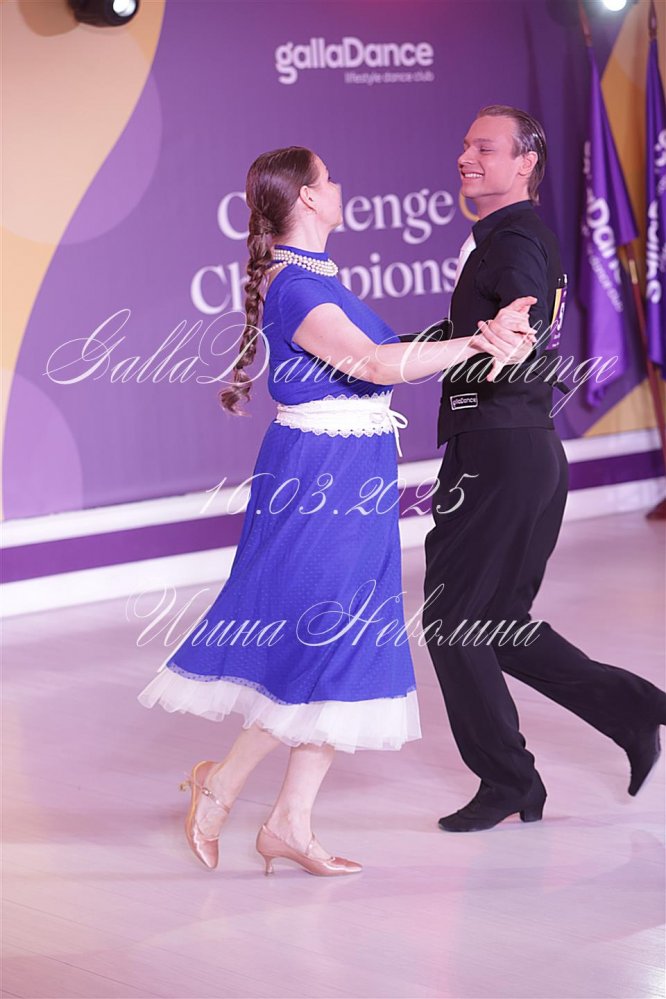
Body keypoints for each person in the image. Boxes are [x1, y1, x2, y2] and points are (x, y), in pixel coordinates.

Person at [137, 145, 536, 875]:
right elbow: (376, 365)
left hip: (354, 469)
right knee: (320, 635)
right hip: (319, 476)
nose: (340, 185)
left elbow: (384, 355)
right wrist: (479, 341)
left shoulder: (316, 277)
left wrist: (481, 343)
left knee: (347, 638)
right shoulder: (295, 285)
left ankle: (288, 821)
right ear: (309, 199)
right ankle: (220, 784)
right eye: (329, 179)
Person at [420, 105, 666, 833]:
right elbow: (487, 332)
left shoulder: (514, 239)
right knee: (494, 622)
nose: (467, 157)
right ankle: (632, 708)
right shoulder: (509, 235)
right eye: (465, 144)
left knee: (452, 621)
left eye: (486, 148)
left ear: (526, 162)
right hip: (520, 448)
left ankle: (509, 780)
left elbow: (517, 328)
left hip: (498, 453)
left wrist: (509, 339)